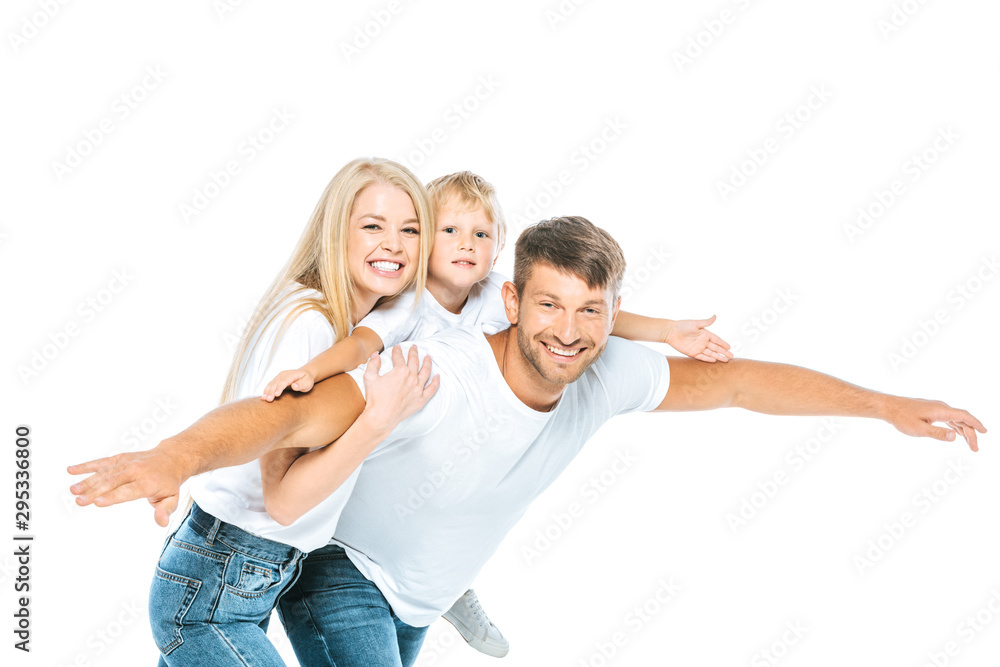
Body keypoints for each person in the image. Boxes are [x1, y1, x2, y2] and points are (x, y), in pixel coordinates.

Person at [69, 217, 985, 667]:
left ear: (615, 313)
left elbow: (744, 383)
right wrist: (177, 456)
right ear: (513, 302)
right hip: (345, 572)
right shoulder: (439, 368)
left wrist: (886, 404)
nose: (570, 329)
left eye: (593, 310)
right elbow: (291, 414)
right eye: (550, 303)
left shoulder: (606, 370)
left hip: (417, 602)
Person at [256, 170, 732, 657]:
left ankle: (452, 585)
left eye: (480, 235)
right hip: (386, 447)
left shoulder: (496, 294)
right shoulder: (409, 307)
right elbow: (359, 345)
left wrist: (669, 330)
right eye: (449, 232)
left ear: (497, 247)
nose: (466, 246)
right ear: (423, 244)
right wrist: (311, 371)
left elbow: (590, 305)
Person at [134, 156, 438, 665]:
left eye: (410, 229)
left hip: (243, 577)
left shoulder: (360, 323)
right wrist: (378, 420)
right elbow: (284, 501)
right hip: (213, 590)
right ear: (334, 233)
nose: (395, 244)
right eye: (372, 226)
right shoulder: (310, 326)